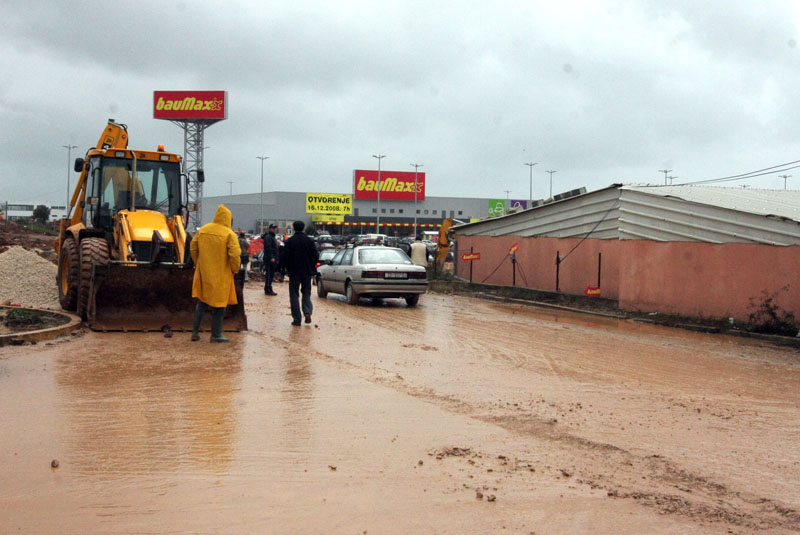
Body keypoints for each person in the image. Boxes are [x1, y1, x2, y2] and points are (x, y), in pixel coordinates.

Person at [189, 204, 241, 342]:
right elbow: (235, 255)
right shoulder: (229, 234)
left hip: (204, 272)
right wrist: (235, 269)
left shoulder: (203, 230)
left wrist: (199, 263)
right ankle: (216, 334)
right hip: (221, 275)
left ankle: (195, 332)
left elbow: (193, 248)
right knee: (219, 306)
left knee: (201, 303)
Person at [282, 220, 318, 326]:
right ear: (303, 228)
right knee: (306, 293)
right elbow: (315, 256)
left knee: (294, 295)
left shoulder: (290, 241)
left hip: (294, 272)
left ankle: (297, 319)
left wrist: (286, 268)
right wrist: (311, 266)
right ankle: (307, 312)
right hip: (307, 272)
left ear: (293, 228)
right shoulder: (309, 241)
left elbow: (285, 257)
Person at [261, 223, 279, 295]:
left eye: (275, 228)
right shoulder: (268, 237)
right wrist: (271, 257)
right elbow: (268, 248)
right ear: (270, 229)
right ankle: (268, 290)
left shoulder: (272, 237)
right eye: (273, 228)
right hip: (269, 259)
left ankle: (268, 288)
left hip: (273, 258)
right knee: (269, 274)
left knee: (271, 274)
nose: (274, 229)